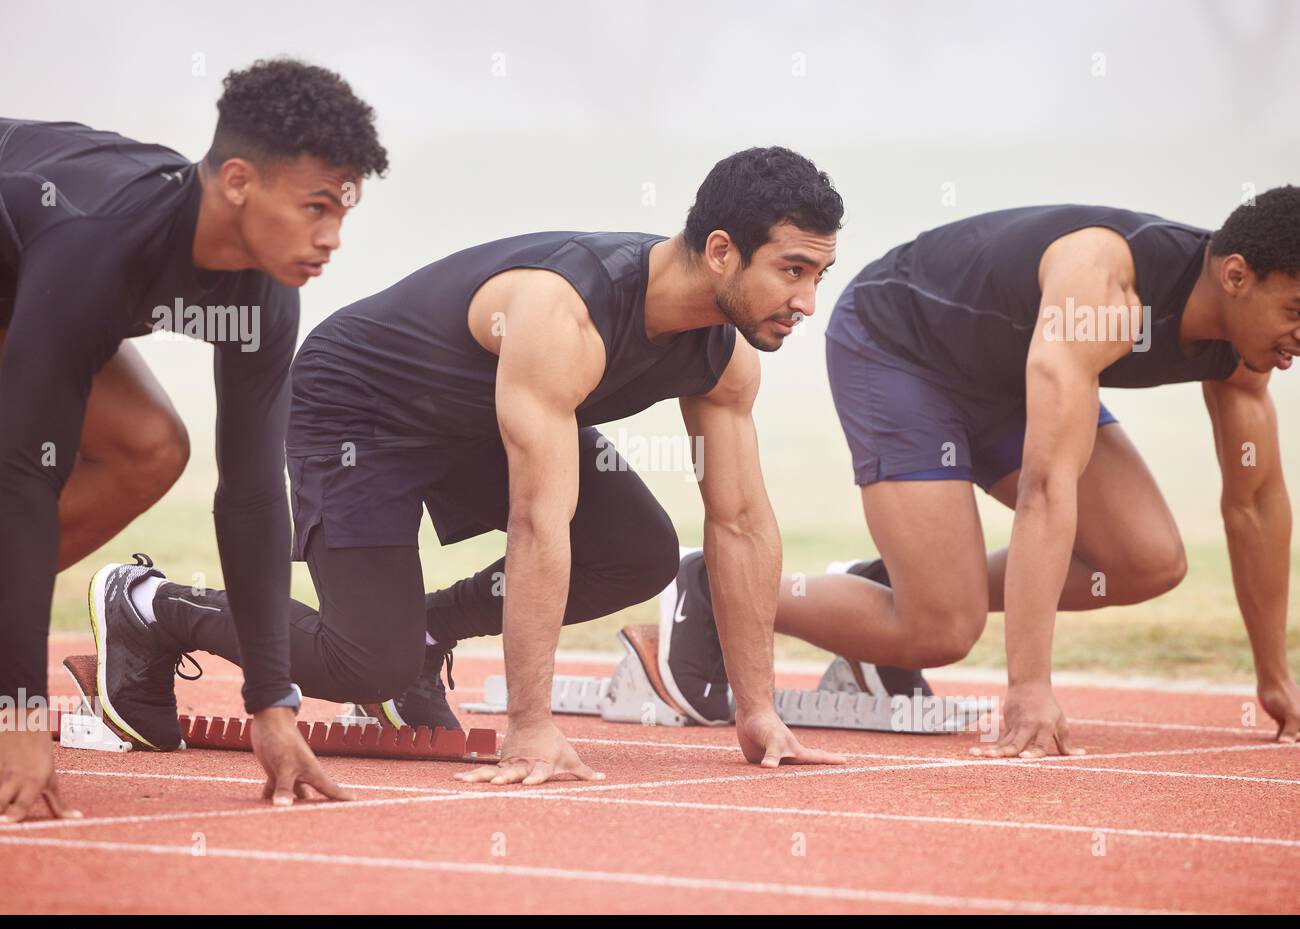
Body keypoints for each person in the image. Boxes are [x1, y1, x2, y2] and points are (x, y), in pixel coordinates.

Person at [98, 146, 849, 785]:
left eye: (819, 274)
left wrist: (758, 711)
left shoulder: (725, 357)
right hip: (365, 409)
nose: (807, 300)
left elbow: (741, 522)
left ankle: (425, 632)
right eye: (792, 271)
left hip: (486, 422)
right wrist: (531, 725)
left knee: (638, 555)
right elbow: (537, 520)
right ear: (722, 251)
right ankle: (148, 604)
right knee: (367, 662)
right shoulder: (568, 311)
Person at [662, 195, 1300, 755]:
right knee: (943, 629)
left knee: (1148, 560)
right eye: (1296, 308)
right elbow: (1047, 489)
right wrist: (1029, 687)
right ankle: (711, 581)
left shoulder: (1248, 352)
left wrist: (1275, 677)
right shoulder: (1103, 284)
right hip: (902, 347)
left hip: (1012, 377)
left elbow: (1257, 505)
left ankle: (890, 586)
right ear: (1238, 276)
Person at [0, 59, 388, 823]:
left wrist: (272, 704)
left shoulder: (267, 289)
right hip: (38, 264)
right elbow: (23, 476)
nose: (332, 238)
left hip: (24, 285)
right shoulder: (102, 243)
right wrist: (17, 719)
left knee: (150, 448)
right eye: (315, 207)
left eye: (343, 212)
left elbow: (248, 495)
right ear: (239, 181)